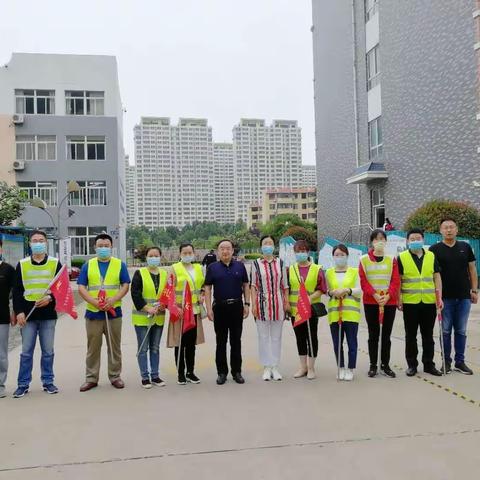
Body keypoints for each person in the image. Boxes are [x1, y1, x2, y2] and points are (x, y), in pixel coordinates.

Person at [12, 230, 62, 398]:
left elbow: (62, 289)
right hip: (28, 316)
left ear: (46, 243)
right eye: (35, 240)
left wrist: (50, 298)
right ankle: (23, 384)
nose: (38, 243)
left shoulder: (55, 263)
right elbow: (17, 290)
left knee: (48, 351)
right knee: (26, 352)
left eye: (41, 240)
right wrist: (18, 311)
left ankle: (48, 381)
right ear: (30, 243)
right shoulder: (23, 264)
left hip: (48, 315)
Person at [78, 233, 130, 392]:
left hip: (113, 312)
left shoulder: (119, 264)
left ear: (111, 247)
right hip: (94, 313)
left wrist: (113, 300)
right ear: (95, 247)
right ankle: (91, 378)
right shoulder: (88, 265)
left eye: (106, 246)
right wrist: (94, 302)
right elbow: (81, 287)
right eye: (100, 246)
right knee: (93, 347)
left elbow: (125, 285)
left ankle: (115, 376)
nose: (103, 248)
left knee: (114, 346)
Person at [430, 217, 478, 374]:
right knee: (445, 331)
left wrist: (474, 290)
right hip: (445, 299)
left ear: (456, 229)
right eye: (445, 227)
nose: (449, 230)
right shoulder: (434, 249)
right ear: (441, 231)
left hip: (464, 297)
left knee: (461, 331)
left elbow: (472, 269)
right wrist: (436, 296)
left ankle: (460, 361)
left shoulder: (465, 247)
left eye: (451, 227)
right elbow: (432, 275)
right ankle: (446, 362)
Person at [398, 229, 443, 377]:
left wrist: (439, 297)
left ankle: (429, 364)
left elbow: (436, 277)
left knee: (428, 336)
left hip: (429, 302)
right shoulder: (402, 257)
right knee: (410, 336)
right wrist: (399, 298)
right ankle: (412, 365)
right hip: (410, 303)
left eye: (418, 238)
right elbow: (398, 280)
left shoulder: (431, 255)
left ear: (423, 240)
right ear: (407, 241)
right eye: (412, 239)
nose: (415, 241)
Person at [204, 239, 250, 385]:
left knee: (236, 341)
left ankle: (237, 372)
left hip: (236, 306)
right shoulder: (212, 267)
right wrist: (208, 308)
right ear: (218, 251)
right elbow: (208, 288)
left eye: (228, 248)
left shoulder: (240, 266)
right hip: (220, 308)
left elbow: (246, 285)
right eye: (222, 248)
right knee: (221, 341)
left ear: (232, 250)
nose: (225, 251)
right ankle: (222, 372)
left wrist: (247, 303)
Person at [359, 229, 400, 378]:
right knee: (373, 333)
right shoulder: (364, 260)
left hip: (389, 302)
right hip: (371, 302)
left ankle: (385, 364)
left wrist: (388, 295)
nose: (379, 242)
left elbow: (396, 280)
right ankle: (373, 365)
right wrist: (375, 295)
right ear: (371, 242)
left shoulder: (391, 259)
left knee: (386, 334)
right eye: (376, 239)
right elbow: (363, 281)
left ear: (386, 241)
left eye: (382, 239)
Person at [250, 235, 289, 381]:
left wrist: (286, 303)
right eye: (265, 243)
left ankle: (275, 366)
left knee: (276, 337)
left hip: (278, 303)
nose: (268, 245)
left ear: (274, 246)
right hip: (262, 302)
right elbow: (253, 285)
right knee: (263, 336)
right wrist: (254, 304)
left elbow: (285, 286)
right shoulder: (256, 264)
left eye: (270, 243)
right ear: (261, 246)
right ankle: (266, 367)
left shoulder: (280, 263)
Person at [167, 243, 206, 385]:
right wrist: (174, 308)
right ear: (180, 254)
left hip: (194, 311)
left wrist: (202, 294)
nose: (188, 255)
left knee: (191, 344)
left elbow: (203, 285)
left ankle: (190, 372)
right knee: (180, 343)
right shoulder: (174, 269)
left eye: (190, 252)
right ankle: (180, 373)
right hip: (180, 312)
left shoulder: (198, 268)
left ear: (194, 253)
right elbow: (169, 290)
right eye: (185, 253)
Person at [288, 239, 326, 380]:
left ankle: (311, 367)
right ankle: (302, 367)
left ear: (308, 252)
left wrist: (309, 299)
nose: (300, 254)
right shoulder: (291, 269)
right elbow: (288, 289)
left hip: (311, 310)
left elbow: (322, 289)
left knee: (312, 337)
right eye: (298, 251)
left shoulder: (317, 269)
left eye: (303, 251)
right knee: (300, 338)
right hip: (295, 311)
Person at [131, 247, 167, 388]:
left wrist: (164, 305)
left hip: (158, 317)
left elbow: (167, 294)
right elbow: (135, 294)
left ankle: (155, 375)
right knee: (143, 348)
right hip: (142, 318)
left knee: (155, 347)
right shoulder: (140, 273)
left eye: (156, 255)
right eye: (151, 255)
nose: (153, 258)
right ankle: (145, 376)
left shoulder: (164, 274)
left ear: (160, 257)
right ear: (146, 257)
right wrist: (148, 308)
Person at [325, 244, 361, 381]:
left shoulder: (354, 272)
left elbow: (359, 291)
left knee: (352, 342)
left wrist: (347, 290)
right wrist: (332, 292)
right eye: (337, 255)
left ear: (347, 256)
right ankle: (340, 367)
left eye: (342, 254)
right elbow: (326, 291)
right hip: (335, 313)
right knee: (337, 342)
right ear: (333, 257)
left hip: (351, 314)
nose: (339, 257)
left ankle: (350, 369)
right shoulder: (329, 272)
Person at [0, 239, 16, 398]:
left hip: (2, 318)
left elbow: (16, 293)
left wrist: (14, 312)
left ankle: (0, 385)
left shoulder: (8, 270)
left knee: (1, 354)